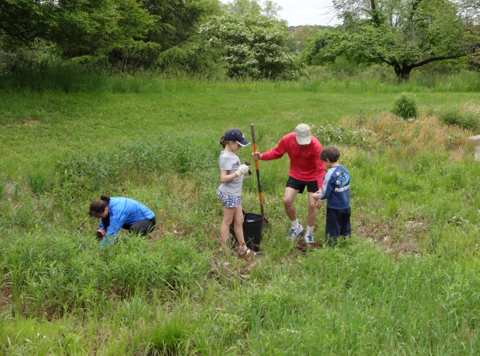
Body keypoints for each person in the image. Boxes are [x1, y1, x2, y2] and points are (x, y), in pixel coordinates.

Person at [252, 123, 326, 243]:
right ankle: (296, 227)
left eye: (305, 142)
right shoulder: (287, 139)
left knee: (312, 205)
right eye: (300, 141)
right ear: (295, 135)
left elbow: (320, 169)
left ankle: (309, 234)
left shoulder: (316, 145)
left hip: (313, 175)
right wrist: (261, 156)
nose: (303, 145)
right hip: (296, 174)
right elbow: (277, 152)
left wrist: (321, 189)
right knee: (287, 200)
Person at [217, 129, 255, 260]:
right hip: (229, 194)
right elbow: (223, 178)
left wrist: (243, 172)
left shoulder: (231, 154)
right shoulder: (226, 157)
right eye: (238, 145)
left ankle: (243, 248)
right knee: (227, 221)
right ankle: (224, 248)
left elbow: (234, 173)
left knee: (240, 220)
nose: (239, 147)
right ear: (230, 142)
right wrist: (238, 173)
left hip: (235, 193)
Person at [313, 146, 351, 246]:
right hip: (346, 205)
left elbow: (325, 193)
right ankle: (346, 244)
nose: (325, 165)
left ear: (327, 160)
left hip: (334, 207)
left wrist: (316, 196)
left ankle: (331, 248)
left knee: (333, 229)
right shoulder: (344, 169)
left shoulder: (330, 173)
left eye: (324, 162)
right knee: (345, 227)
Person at [89, 194, 156, 246]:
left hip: (148, 221)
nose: (98, 218)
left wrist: (99, 250)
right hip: (130, 220)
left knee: (134, 229)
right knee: (106, 218)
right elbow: (104, 218)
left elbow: (112, 232)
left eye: (99, 216)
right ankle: (114, 243)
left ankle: (139, 244)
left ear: (106, 209)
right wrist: (102, 230)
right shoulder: (105, 203)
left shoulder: (118, 211)